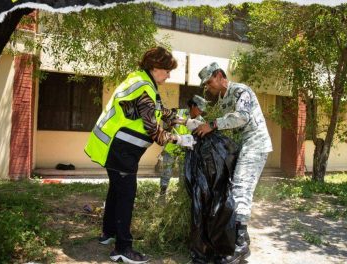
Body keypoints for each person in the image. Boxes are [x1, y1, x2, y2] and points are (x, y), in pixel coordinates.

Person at [84, 47, 196, 263]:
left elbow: (159, 110)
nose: (169, 75)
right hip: (120, 150)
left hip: (113, 146)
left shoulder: (141, 80)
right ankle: (123, 248)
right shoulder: (144, 88)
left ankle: (108, 234)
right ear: (155, 68)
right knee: (126, 196)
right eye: (167, 70)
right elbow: (154, 131)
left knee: (116, 191)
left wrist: (184, 121)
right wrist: (181, 139)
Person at [193, 62, 273, 264]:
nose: (208, 87)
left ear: (220, 75)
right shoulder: (221, 100)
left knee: (240, 190)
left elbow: (242, 117)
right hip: (239, 148)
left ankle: (239, 245)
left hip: (255, 144)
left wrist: (211, 125)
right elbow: (215, 122)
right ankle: (241, 237)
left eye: (209, 82)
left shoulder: (240, 91)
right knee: (231, 190)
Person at [159, 95, 208, 197]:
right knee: (166, 172)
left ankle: (180, 197)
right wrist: (168, 125)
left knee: (183, 175)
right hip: (171, 148)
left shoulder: (201, 122)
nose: (200, 112)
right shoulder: (178, 113)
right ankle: (162, 194)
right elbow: (164, 122)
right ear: (193, 106)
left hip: (185, 152)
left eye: (202, 110)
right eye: (199, 109)